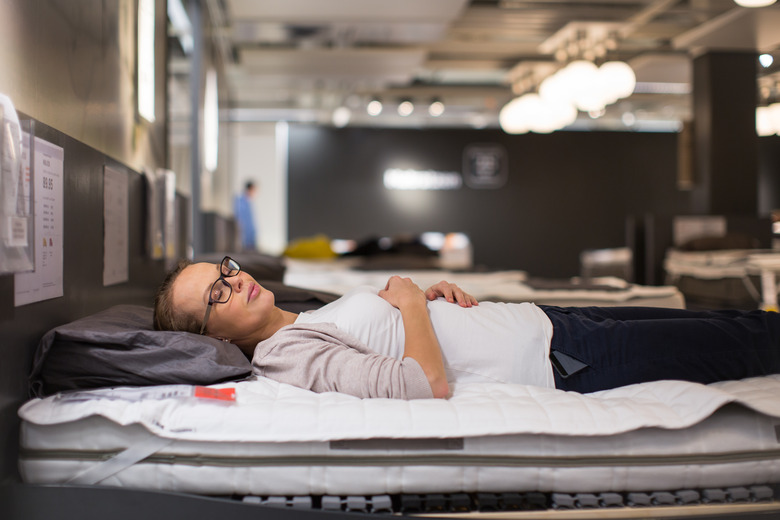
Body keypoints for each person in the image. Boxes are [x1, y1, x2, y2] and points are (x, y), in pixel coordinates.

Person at [154, 256, 780, 400]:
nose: (235, 279)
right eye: (218, 290)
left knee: (736, 322)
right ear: (212, 337)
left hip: (549, 323)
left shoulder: (300, 316)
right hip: (566, 361)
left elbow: (393, 331)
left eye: (226, 268)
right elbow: (426, 383)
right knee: (747, 343)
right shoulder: (284, 357)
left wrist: (425, 297)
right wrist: (416, 307)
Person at [234, 181, 257, 251]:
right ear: (250, 189)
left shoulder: (248, 202)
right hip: (245, 241)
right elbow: (241, 222)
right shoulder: (241, 202)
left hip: (250, 239)